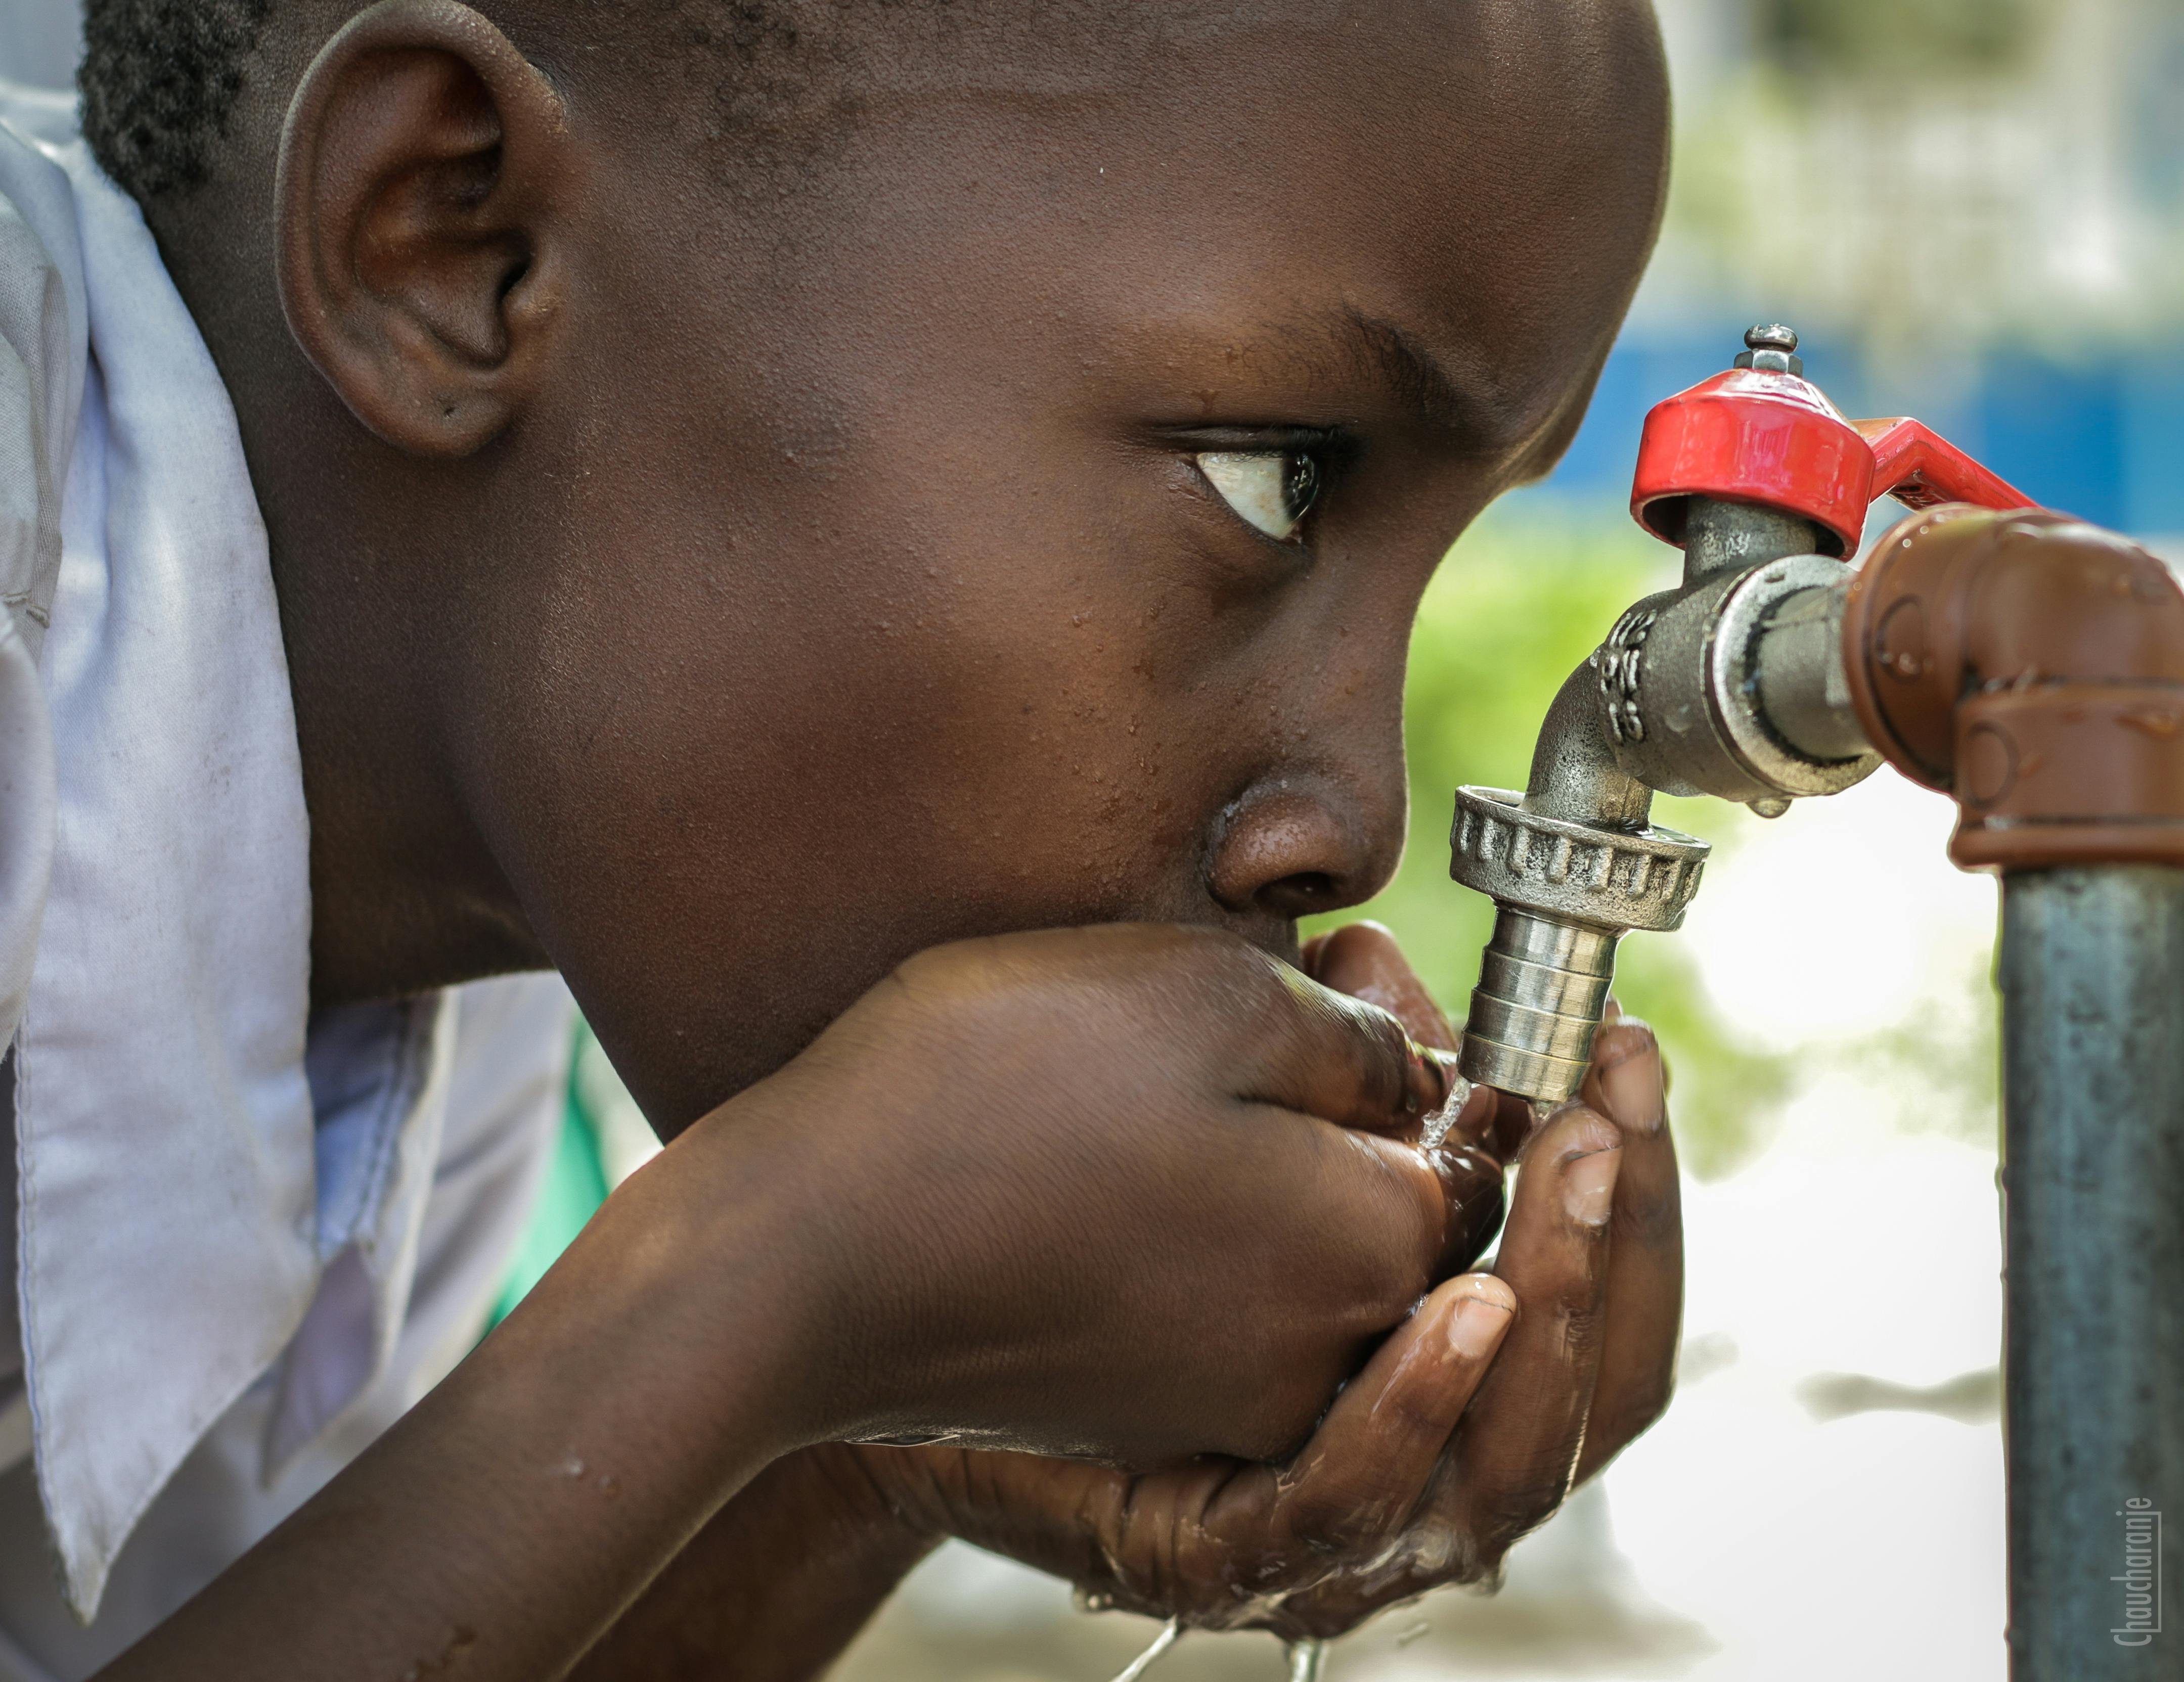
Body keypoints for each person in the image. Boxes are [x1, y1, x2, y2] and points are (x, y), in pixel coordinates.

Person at [0, 1, 1683, 1675]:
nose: (1354, 828)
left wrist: (859, 1445)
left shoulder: (458, 927)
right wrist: (778, 1279)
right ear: (457, 246)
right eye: (1273, 480)